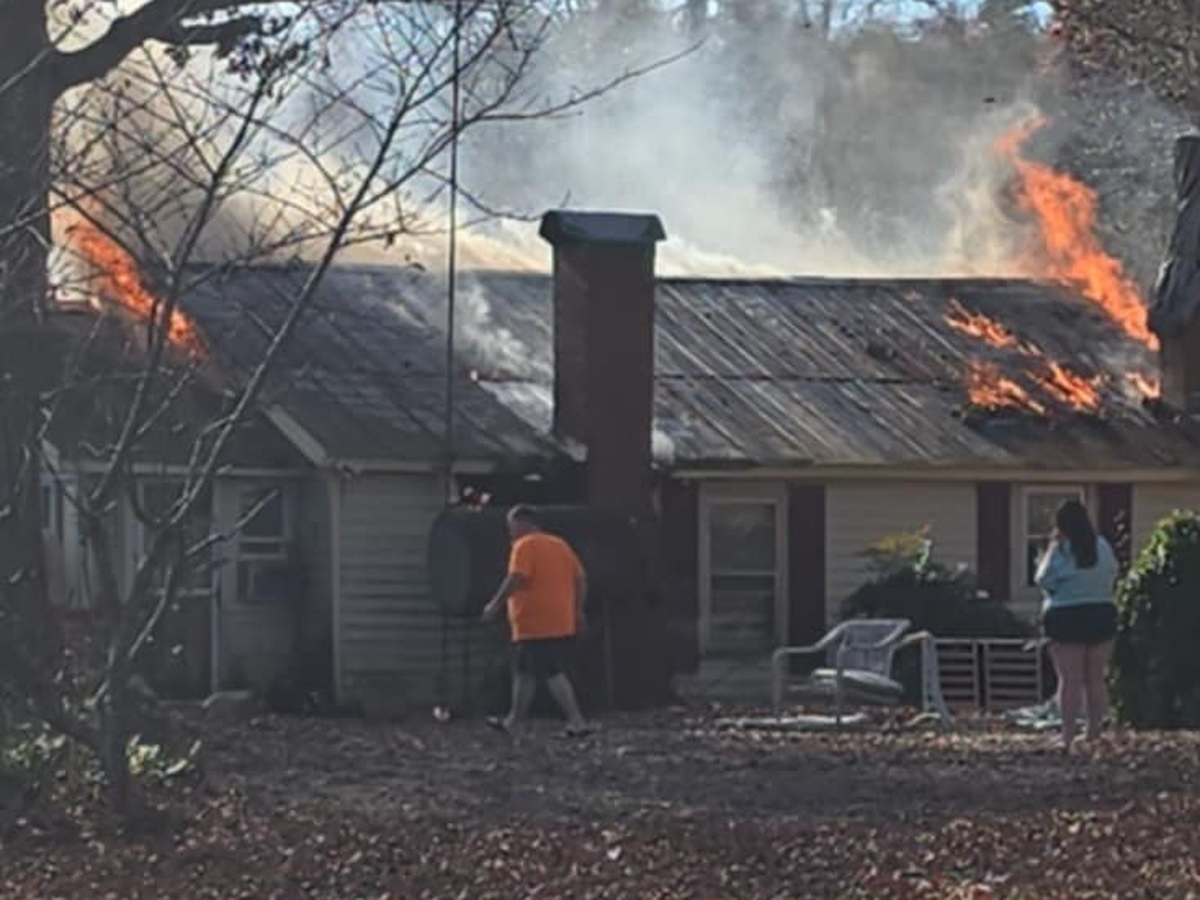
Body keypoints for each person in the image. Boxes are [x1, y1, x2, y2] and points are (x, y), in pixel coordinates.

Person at [482, 505, 594, 736]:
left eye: (511, 526)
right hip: (559, 619)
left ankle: (577, 720)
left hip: (534, 622)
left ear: (523, 523)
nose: (510, 532)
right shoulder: (560, 545)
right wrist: (578, 609)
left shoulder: (524, 546)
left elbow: (516, 577)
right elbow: (581, 578)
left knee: (551, 671)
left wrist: (495, 603)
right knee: (525, 672)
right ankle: (514, 720)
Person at [1034, 499, 1120, 749]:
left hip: (1066, 615)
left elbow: (1043, 579)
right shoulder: (1102, 545)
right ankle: (1094, 732)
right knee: (1096, 678)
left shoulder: (1060, 549)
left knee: (1069, 679)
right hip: (1101, 613)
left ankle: (1068, 736)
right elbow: (1113, 572)